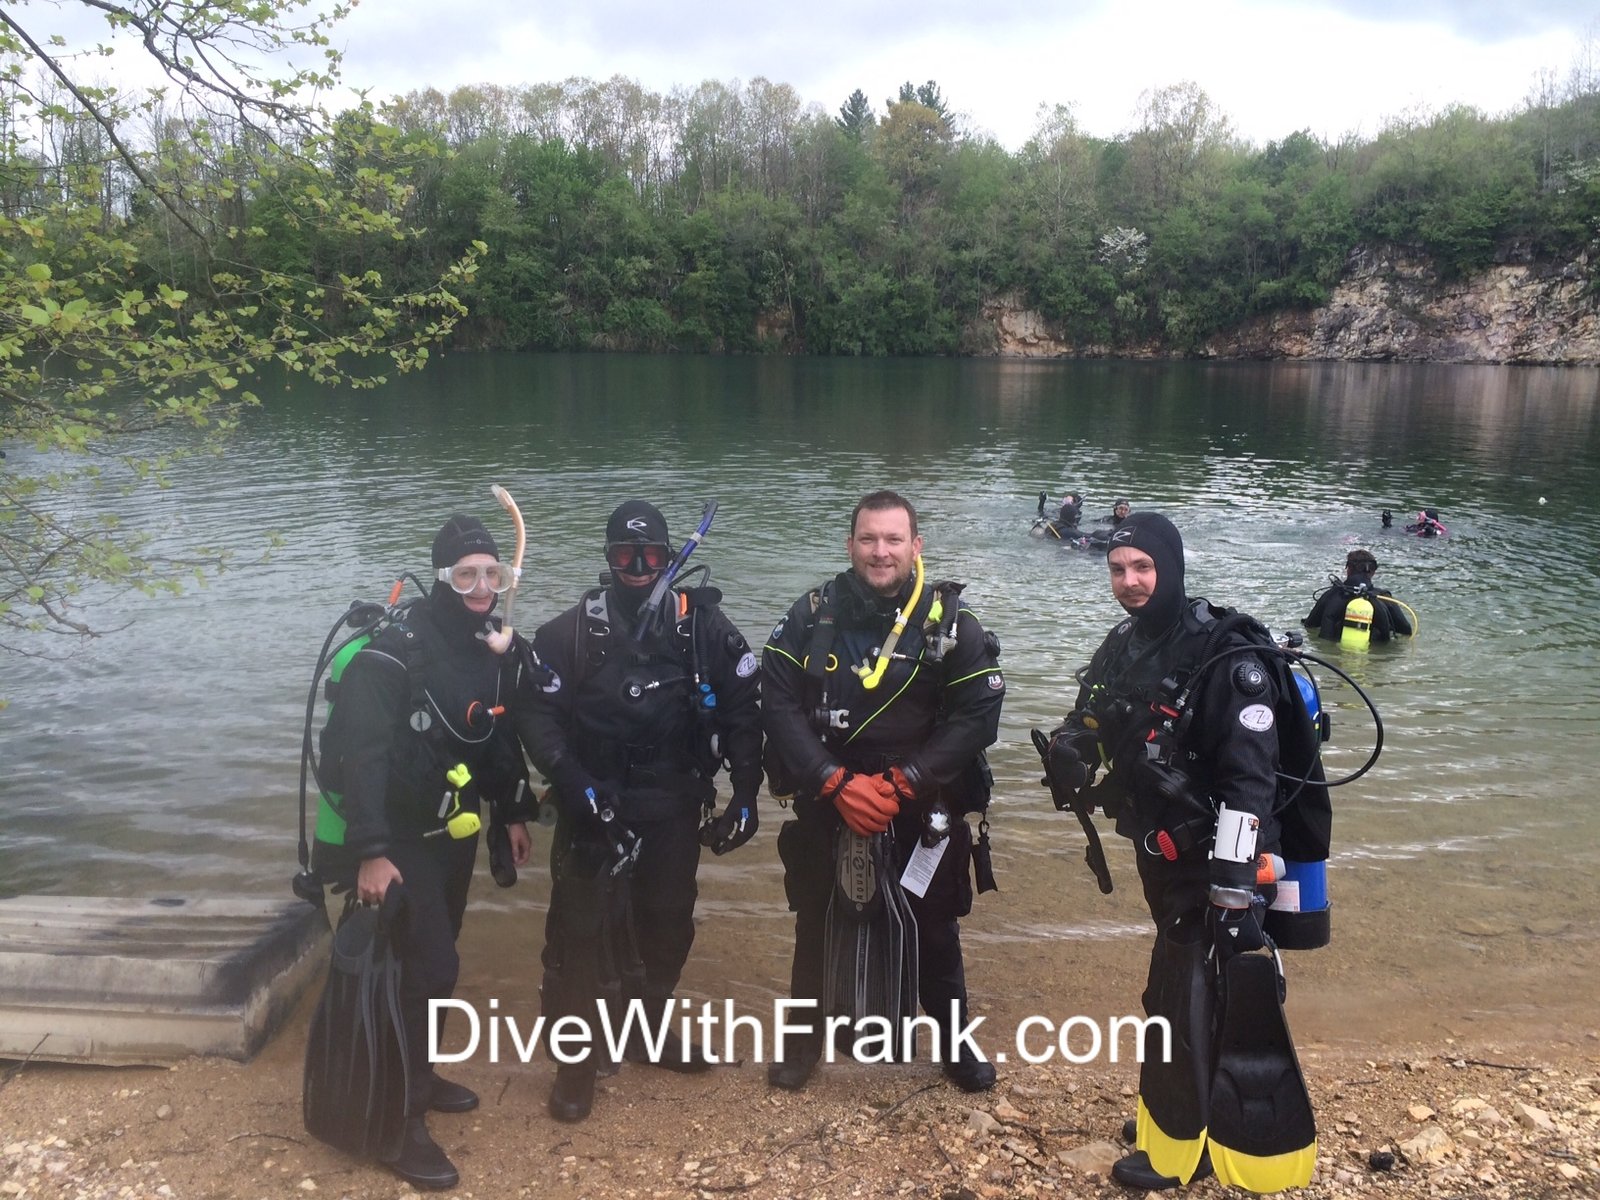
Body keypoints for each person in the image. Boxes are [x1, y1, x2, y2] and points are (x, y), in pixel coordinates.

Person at [1045, 513, 1320, 1191]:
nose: (1130, 582)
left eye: (1143, 567)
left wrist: (1233, 886)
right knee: (1182, 981)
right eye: (1118, 569)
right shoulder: (1124, 643)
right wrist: (1072, 746)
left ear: (1170, 567)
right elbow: (1093, 714)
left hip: (1224, 855)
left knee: (1198, 988)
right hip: (1162, 848)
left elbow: (1251, 782)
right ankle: (1189, 1113)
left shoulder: (1227, 659)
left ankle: (1187, 1146)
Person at [513, 500, 763, 1124]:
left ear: (669, 557)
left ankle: (647, 1030)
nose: (639, 566)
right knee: (581, 930)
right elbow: (536, 717)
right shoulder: (568, 634)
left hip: (673, 799)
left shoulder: (701, 628)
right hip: (592, 801)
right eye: (625, 554)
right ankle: (576, 1064)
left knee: (668, 922)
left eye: (651, 554)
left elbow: (744, 710)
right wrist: (574, 783)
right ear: (607, 558)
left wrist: (746, 793)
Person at [311, 514, 536, 1191]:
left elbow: (492, 734)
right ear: (441, 578)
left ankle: (419, 1074)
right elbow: (361, 759)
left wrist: (513, 810)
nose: (481, 587)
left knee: (430, 967)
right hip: (396, 842)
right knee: (431, 968)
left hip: (450, 835)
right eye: (465, 575)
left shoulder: (483, 646)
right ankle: (397, 1125)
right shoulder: (391, 655)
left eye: (491, 573)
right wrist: (371, 853)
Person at [762, 489, 1004, 1094]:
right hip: (831, 795)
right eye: (868, 539)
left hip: (921, 801)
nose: (880, 551)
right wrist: (831, 780)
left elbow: (978, 716)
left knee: (935, 928)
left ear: (915, 545)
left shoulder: (951, 622)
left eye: (894, 539)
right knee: (816, 921)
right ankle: (802, 1046)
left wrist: (905, 781)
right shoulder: (811, 613)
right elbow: (776, 701)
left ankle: (955, 1045)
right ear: (850, 544)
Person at [1302, 549, 1413, 643]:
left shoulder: (1331, 595)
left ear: (1348, 569)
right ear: (1373, 572)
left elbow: (1310, 625)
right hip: (1372, 656)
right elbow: (1406, 630)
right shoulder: (1383, 597)